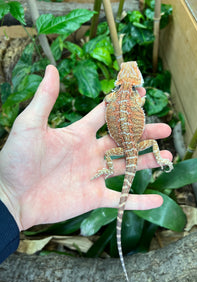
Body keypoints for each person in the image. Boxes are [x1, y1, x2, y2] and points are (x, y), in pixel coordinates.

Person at [0, 65, 173, 263]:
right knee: (151, 142)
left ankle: (113, 167)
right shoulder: (136, 98)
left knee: (128, 154)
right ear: (135, 79)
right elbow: (141, 100)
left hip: (123, 146)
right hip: (132, 144)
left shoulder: (111, 98)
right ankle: (159, 159)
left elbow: (108, 100)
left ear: (119, 80)